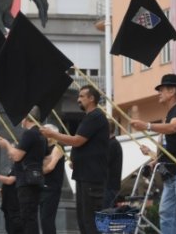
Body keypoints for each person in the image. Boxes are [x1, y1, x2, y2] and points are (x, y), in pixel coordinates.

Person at [130, 74, 176, 234]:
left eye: (161, 90)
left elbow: (173, 127)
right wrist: (154, 161)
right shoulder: (172, 113)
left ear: (171, 91)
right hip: (172, 172)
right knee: (166, 213)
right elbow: (172, 148)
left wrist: (147, 125)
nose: (159, 93)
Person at [41, 85, 109, 234]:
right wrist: (76, 159)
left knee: (90, 221)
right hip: (84, 175)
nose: (78, 100)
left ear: (92, 98)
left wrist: (53, 134)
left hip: (92, 177)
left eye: (82, 96)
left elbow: (77, 140)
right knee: (83, 220)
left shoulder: (95, 116)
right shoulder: (88, 118)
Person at [0, 109, 47, 234]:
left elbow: (17, 156)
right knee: (31, 217)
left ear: (27, 117)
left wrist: (7, 145)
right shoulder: (41, 135)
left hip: (26, 182)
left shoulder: (29, 134)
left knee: (27, 217)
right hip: (35, 179)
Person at [40, 124, 65, 234]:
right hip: (43, 186)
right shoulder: (45, 148)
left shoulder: (58, 147)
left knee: (47, 219)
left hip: (52, 187)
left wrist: (36, 173)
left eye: (47, 132)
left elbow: (50, 167)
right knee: (43, 219)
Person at [104, 119, 123, 209]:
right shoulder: (112, 143)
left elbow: (103, 162)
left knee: (106, 213)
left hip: (109, 187)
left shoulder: (112, 144)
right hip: (110, 187)